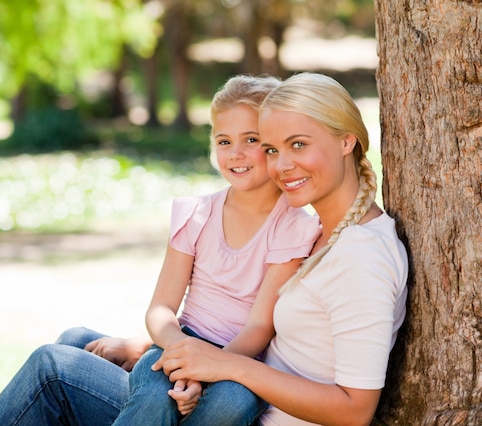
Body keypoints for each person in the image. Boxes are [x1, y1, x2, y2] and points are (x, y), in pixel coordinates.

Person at [0, 74, 321, 426]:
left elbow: (259, 326)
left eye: (252, 140)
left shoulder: (293, 227)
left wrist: (206, 368)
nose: (236, 153)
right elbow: (161, 307)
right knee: (152, 391)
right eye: (223, 140)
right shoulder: (196, 214)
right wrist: (179, 352)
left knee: (232, 400)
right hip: (181, 343)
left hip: (241, 360)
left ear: (275, 144)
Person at [151, 72, 409, 426]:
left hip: (238, 408)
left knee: (53, 374)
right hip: (220, 399)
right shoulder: (319, 233)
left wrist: (226, 365)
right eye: (272, 149)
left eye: (299, 144)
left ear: (347, 141)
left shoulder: (362, 257)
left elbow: (354, 411)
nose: (282, 166)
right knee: (74, 346)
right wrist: (175, 350)